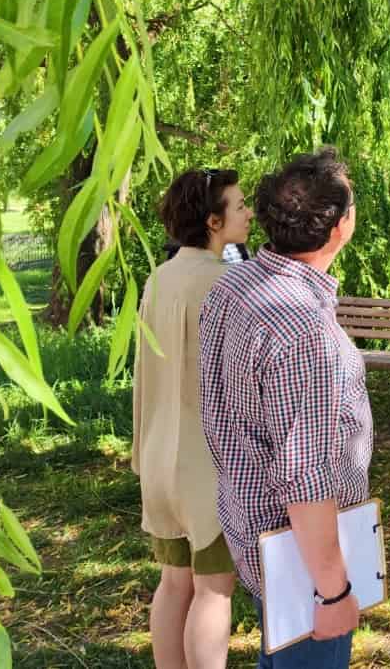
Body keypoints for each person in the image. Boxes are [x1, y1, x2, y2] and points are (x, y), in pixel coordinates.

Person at [199, 147, 372, 668]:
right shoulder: (305, 331)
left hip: (252, 529)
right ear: (340, 226)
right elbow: (304, 475)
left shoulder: (235, 284)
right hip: (299, 561)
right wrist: (333, 592)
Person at [134, 168, 251, 669]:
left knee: (173, 582)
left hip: (160, 456)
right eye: (240, 205)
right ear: (213, 221)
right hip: (209, 463)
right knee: (214, 591)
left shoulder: (156, 280)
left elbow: (143, 374)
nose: (248, 213)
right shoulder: (230, 283)